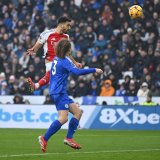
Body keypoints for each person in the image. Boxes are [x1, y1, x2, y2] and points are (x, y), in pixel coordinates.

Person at [38, 39, 103, 152]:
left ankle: (69, 138)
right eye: (70, 49)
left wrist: (75, 62)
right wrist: (94, 70)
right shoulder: (64, 61)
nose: (71, 50)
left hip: (58, 91)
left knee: (78, 112)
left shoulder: (57, 58)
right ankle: (44, 138)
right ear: (67, 50)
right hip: (59, 92)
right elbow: (77, 72)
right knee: (63, 118)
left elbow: (67, 58)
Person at [26, 16, 82, 92]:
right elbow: (37, 46)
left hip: (61, 61)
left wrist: (75, 62)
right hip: (50, 61)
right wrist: (33, 49)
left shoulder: (66, 37)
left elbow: (67, 53)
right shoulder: (47, 34)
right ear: (61, 25)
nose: (69, 28)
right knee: (52, 73)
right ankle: (37, 86)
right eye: (68, 25)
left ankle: (38, 86)